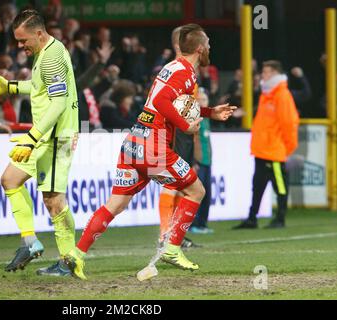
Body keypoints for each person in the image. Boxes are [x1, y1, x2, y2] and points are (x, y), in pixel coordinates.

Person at [63, 24, 236, 280]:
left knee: (116, 203)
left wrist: (210, 112)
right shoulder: (186, 74)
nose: (210, 47)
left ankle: (76, 255)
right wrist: (185, 125)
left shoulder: (172, 67)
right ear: (200, 49)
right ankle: (173, 248)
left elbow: (175, 104)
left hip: (134, 141)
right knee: (196, 190)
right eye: (208, 43)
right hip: (153, 147)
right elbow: (162, 102)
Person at [0, 9, 79, 276]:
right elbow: (38, 87)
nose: (20, 45)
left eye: (23, 40)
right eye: (17, 41)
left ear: (39, 33)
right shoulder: (44, 54)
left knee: (53, 200)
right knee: (10, 180)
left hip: (56, 138)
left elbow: (59, 102)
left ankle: (69, 262)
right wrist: (9, 87)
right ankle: (30, 242)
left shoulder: (52, 57)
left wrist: (31, 138)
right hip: (43, 137)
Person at [233, 60, 299, 229]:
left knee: (280, 186)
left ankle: (280, 218)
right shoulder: (267, 94)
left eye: (267, 72)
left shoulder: (282, 95)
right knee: (257, 185)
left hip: (275, 151)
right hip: (262, 150)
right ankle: (252, 218)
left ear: (276, 74)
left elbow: (290, 123)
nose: (263, 75)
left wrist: (287, 148)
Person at [158, 26, 196, 248]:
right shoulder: (172, 70)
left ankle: (174, 234)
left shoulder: (186, 69)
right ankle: (165, 235)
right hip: (172, 132)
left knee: (183, 184)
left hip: (184, 132)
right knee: (171, 183)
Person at [190, 88, 213, 234]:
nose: (203, 103)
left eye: (205, 100)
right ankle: (193, 224)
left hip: (207, 161)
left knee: (207, 193)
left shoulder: (207, 119)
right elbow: (191, 141)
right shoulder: (194, 119)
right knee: (197, 193)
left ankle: (203, 223)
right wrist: (193, 161)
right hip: (198, 161)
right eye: (200, 100)